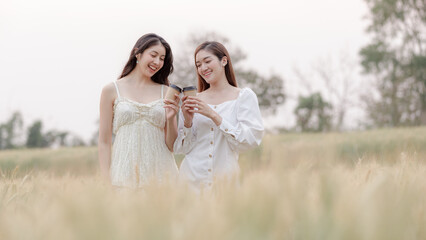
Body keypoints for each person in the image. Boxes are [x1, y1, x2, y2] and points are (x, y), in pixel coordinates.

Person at [174, 41, 264, 192]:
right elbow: (182, 148)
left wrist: (213, 115)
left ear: (224, 60)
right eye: (198, 65)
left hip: (225, 184)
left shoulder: (243, 97)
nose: (203, 68)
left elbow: (250, 141)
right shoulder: (192, 100)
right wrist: (188, 122)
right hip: (190, 183)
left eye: (207, 61)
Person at [98, 33, 179, 188]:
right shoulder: (111, 90)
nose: (157, 62)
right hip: (122, 177)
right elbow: (104, 142)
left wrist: (171, 117)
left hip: (161, 178)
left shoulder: (166, 92)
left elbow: (171, 145)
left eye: (162, 58)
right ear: (138, 53)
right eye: (153, 55)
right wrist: (106, 180)